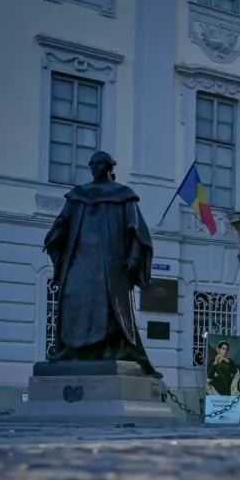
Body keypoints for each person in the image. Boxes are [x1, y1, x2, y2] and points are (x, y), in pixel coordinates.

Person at [42, 150, 159, 377]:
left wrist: (134, 256)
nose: (95, 167)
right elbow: (64, 220)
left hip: (110, 264)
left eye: (99, 164)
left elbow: (136, 231)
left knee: (108, 306)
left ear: (109, 167)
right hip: (80, 260)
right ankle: (72, 349)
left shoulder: (123, 195)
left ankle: (108, 349)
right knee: (71, 297)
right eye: (92, 164)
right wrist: (55, 235)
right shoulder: (78, 195)